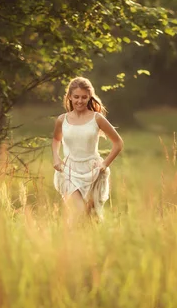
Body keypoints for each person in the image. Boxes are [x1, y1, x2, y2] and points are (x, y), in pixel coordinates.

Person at [52, 77, 124, 222]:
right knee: (78, 212)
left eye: (84, 97)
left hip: (92, 171)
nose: (80, 101)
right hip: (70, 171)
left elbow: (118, 143)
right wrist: (56, 157)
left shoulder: (97, 118)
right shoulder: (62, 120)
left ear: (90, 97)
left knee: (92, 217)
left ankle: (87, 243)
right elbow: (56, 139)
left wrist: (104, 164)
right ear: (70, 97)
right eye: (76, 97)